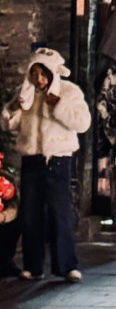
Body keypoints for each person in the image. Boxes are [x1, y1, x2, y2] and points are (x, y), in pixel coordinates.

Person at [1, 47, 91, 283]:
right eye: (35, 74)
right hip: (32, 159)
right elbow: (9, 124)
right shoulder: (27, 95)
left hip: (58, 159)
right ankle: (33, 266)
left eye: (43, 74)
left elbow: (82, 123)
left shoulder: (69, 91)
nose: (39, 80)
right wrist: (12, 109)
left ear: (52, 73)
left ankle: (67, 266)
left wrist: (59, 104)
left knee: (59, 213)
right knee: (30, 213)